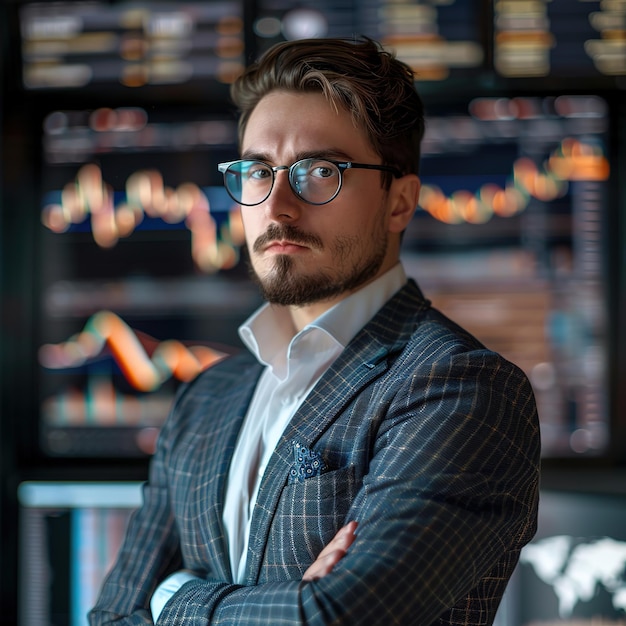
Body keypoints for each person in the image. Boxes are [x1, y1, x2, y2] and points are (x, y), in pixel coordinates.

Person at [89, 36, 540, 625]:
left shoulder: (463, 389)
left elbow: (340, 616)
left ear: (399, 201)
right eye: (257, 172)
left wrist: (173, 598)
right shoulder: (206, 399)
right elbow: (113, 617)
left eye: (319, 171)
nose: (277, 206)